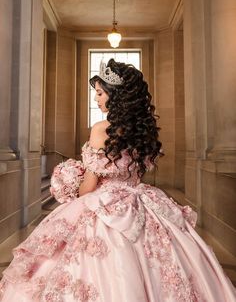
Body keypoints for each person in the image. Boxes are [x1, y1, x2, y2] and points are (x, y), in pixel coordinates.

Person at [0, 59, 235, 302]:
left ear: (116, 95)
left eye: (100, 93)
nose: (96, 99)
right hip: (143, 200)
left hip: (105, 204)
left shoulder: (101, 128)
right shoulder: (144, 130)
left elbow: (88, 188)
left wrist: (69, 182)